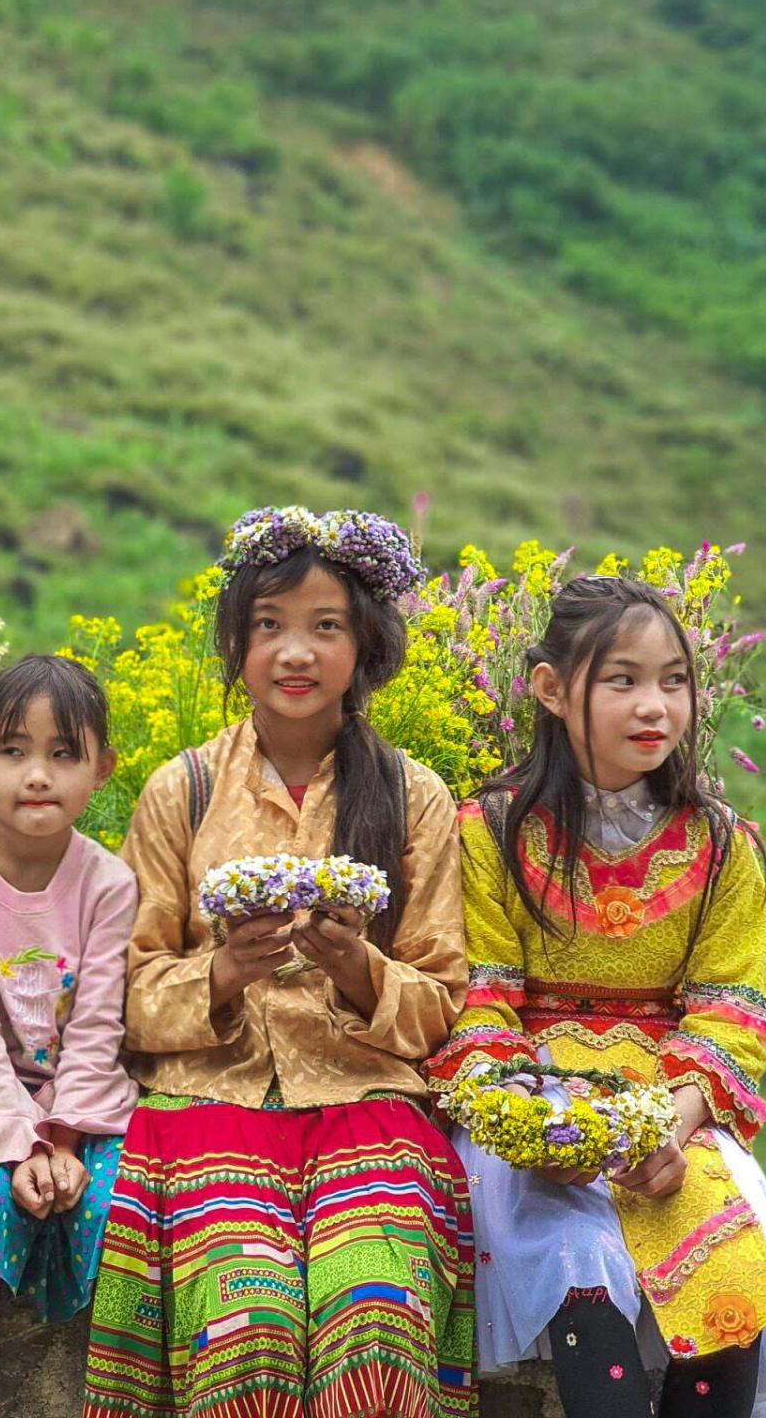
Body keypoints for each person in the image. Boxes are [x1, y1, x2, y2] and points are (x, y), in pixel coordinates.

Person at [83, 505, 476, 1418]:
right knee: (246, 1324)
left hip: (366, 1108)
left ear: (365, 646)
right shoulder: (181, 790)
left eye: (323, 627)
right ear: (238, 646)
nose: (295, 653)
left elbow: (442, 999)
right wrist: (221, 974)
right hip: (208, 1107)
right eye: (269, 627)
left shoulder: (413, 798)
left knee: (374, 1315)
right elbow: (130, 992)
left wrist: (358, 970)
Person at [424, 574, 766, 1417]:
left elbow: (731, 1012)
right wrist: (530, 1120)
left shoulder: (722, 846)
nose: (655, 707)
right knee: (578, 1270)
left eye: (674, 681)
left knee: (730, 1284)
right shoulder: (490, 831)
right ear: (550, 690)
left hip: (674, 1108)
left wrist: (661, 1129)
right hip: (529, 1106)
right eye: (623, 681)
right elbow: (480, 998)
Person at [0, 655, 137, 1418]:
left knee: (119, 1205)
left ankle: (112, 1398)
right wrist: (22, 1145)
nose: (36, 774)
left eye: (63, 753)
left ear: (102, 769)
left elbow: (100, 1024)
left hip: (85, 1100)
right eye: (13, 751)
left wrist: (67, 1143)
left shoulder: (109, 883)